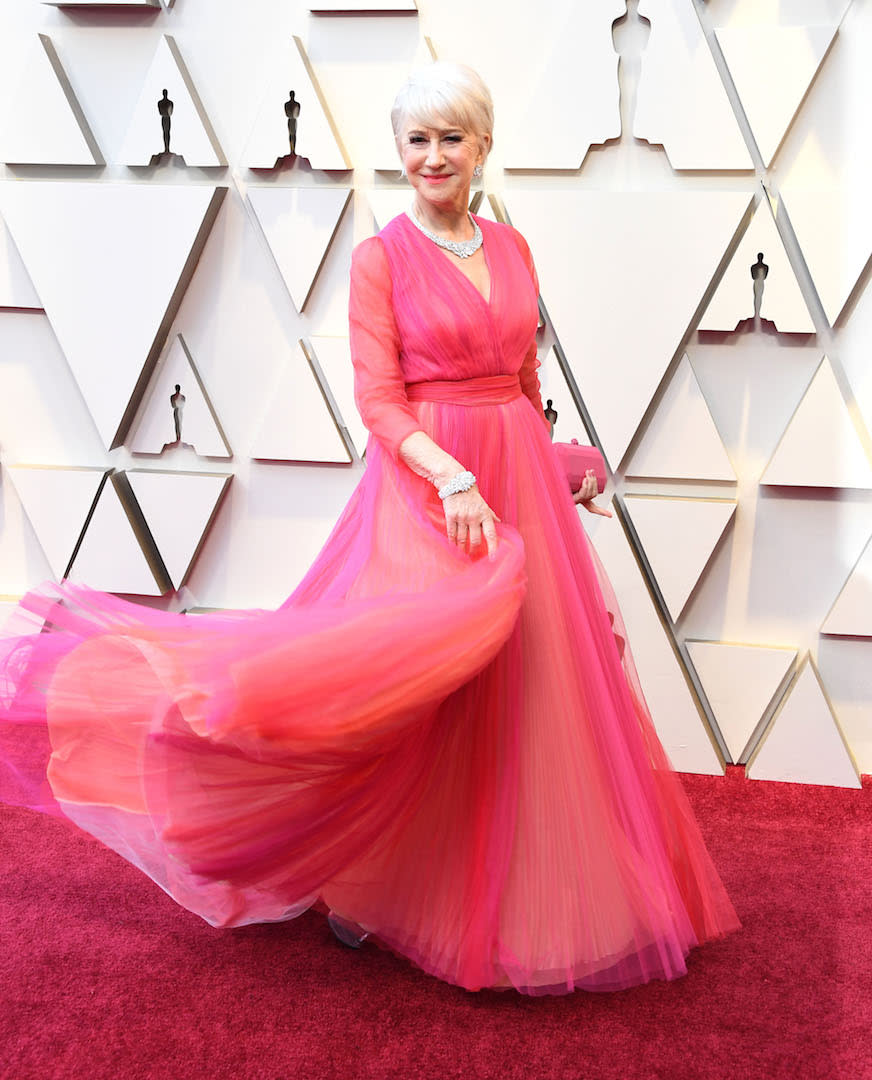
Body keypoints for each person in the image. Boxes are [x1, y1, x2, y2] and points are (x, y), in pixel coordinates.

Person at [0, 63, 738, 996]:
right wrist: (454, 475)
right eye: (417, 141)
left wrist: (550, 463)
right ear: (399, 153)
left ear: (482, 147)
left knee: (531, 684)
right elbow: (380, 404)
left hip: (513, 482)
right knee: (422, 681)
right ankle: (372, 879)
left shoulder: (513, 247)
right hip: (428, 485)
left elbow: (519, 383)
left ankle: (514, 887)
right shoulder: (378, 260)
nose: (434, 156)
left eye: (451, 138)